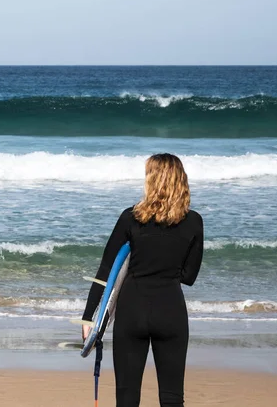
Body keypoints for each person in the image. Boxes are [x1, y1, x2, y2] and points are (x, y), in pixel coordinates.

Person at [82, 153, 203, 407]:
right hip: (170, 310)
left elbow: (106, 269)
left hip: (132, 309)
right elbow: (189, 277)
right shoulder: (193, 221)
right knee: (172, 398)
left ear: (152, 181)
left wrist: (88, 317)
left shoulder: (131, 217)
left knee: (126, 397)